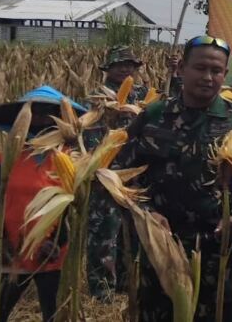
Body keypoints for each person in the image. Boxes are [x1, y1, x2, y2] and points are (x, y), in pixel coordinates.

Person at [119, 35, 232, 321]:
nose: (208, 77)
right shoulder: (152, 117)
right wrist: (146, 213)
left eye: (216, 71)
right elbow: (122, 176)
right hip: (161, 248)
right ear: (181, 70)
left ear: (225, 75)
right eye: (200, 68)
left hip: (220, 251)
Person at [0, 86, 88, 322]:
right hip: (12, 250)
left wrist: (55, 243)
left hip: (50, 253)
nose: (39, 119)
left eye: (47, 113)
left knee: (55, 313)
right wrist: (2, 240)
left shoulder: (68, 158)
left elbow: (71, 208)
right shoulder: (5, 157)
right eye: (34, 113)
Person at [85, 46, 148, 301]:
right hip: (106, 173)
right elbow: (89, 132)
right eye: (120, 64)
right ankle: (102, 289)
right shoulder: (98, 98)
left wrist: (175, 75)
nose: (125, 69)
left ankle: (125, 281)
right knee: (105, 231)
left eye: (130, 64)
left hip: (136, 174)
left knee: (134, 231)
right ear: (108, 68)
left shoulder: (143, 95)